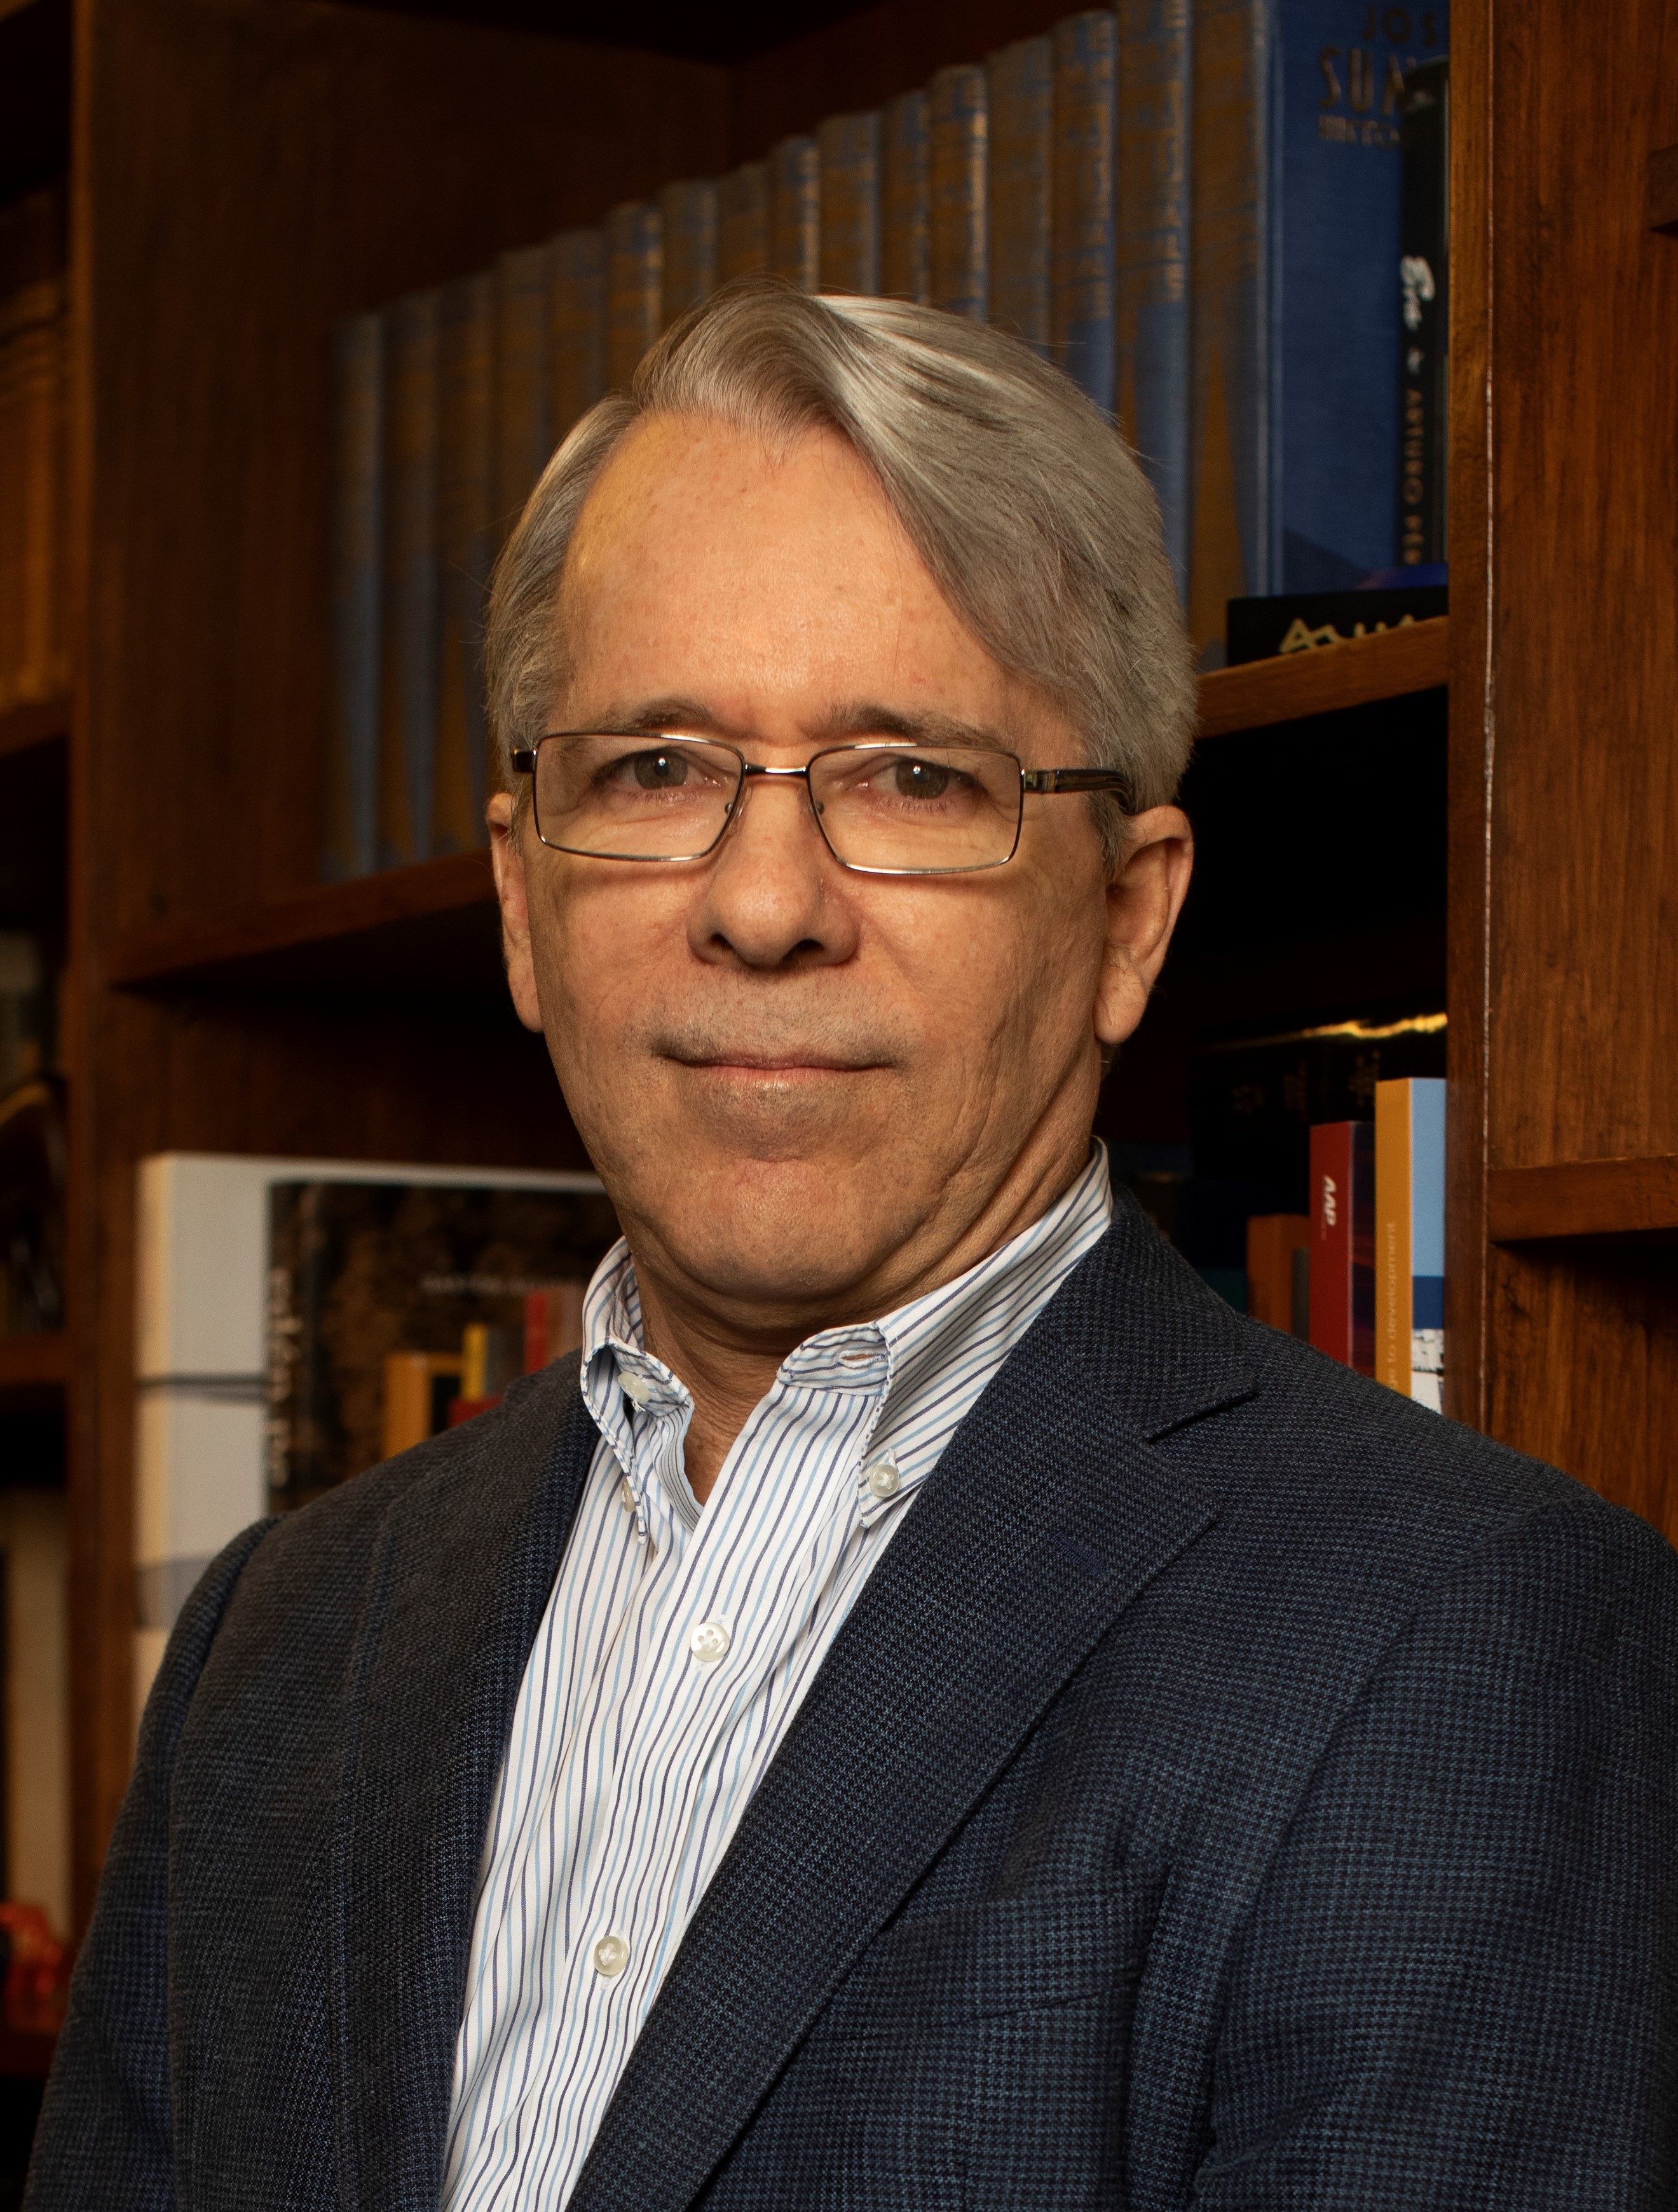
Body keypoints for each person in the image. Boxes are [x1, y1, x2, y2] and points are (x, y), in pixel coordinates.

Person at [26, 284, 1676, 2211]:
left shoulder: (1477, 1636)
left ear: (1129, 919)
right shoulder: (278, 1637)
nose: (763, 903)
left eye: (911, 776)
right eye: (655, 769)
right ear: (522, 903)